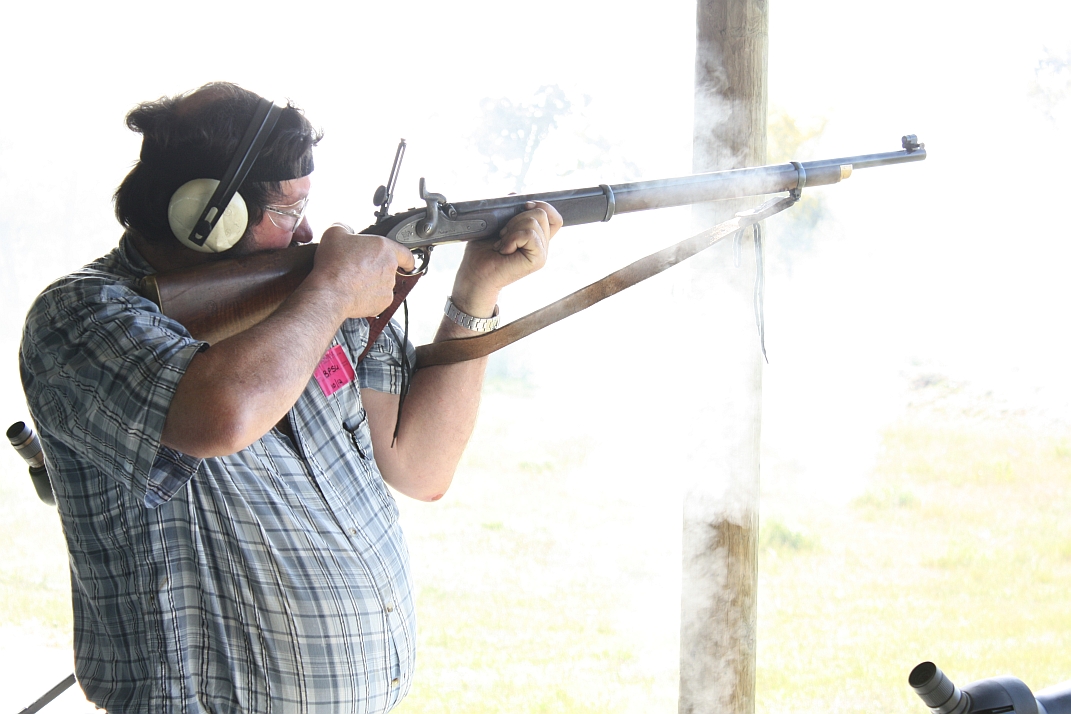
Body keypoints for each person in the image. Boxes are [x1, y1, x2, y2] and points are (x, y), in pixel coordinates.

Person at [19, 82, 561, 713]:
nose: (308, 228)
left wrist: (476, 293)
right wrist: (331, 293)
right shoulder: (80, 317)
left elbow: (421, 466)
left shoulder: (310, 293)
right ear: (209, 217)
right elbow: (224, 413)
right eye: (288, 210)